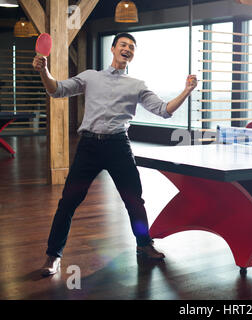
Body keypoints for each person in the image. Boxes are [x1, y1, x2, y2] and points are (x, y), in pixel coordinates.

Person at [32, 33, 198, 276]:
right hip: (89, 146)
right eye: (123, 44)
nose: (127, 49)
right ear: (113, 49)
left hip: (119, 146)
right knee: (68, 202)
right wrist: (44, 72)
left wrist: (187, 91)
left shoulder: (137, 85)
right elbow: (57, 90)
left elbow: (164, 111)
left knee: (135, 200)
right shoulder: (90, 76)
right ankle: (53, 256)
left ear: (133, 54)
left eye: (132, 46)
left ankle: (144, 245)